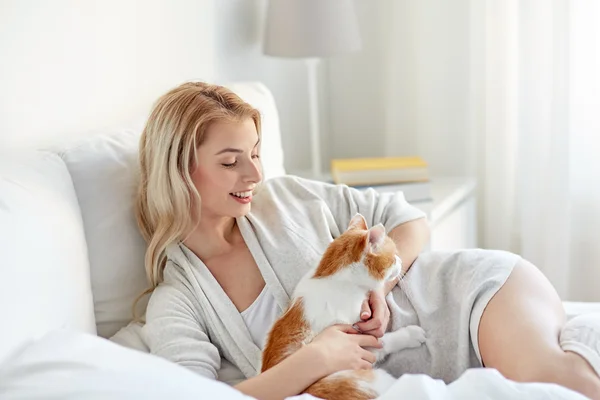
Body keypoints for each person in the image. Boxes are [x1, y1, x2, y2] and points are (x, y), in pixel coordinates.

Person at [135, 81, 600, 400]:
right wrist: (315, 359)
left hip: (469, 299)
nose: (255, 173)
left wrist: (382, 280)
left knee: (563, 388)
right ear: (179, 169)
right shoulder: (178, 301)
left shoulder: (285, 197)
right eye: (231, 160)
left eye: (255, 153)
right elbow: (198, 398)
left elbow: (408, 219)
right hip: (426, 368)